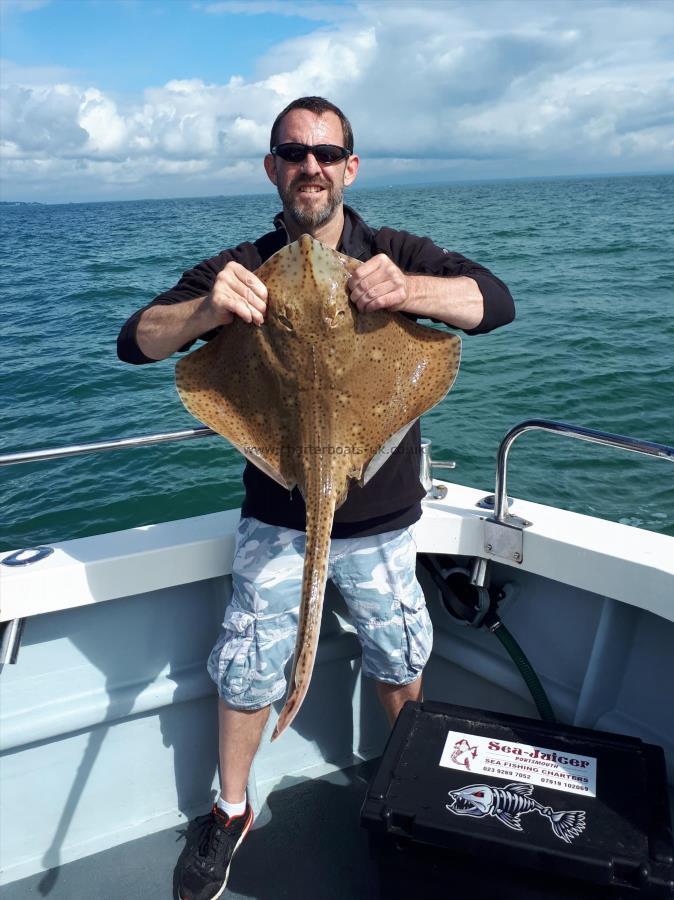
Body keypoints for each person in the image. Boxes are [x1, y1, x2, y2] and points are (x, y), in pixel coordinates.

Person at [117, 96, 515, 900]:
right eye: (294, 152)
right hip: (276, 512)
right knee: (249, 666)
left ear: (349, 167)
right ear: (273, 167)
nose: (311, 165)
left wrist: (407, 292)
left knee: (398, 653)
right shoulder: (242, 263)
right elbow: (136, 342)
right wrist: (208, 308)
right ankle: (229, 812)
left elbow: (493, 304)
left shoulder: (392, 250)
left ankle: (412, 803)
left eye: (327, 153)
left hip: (381, 515)